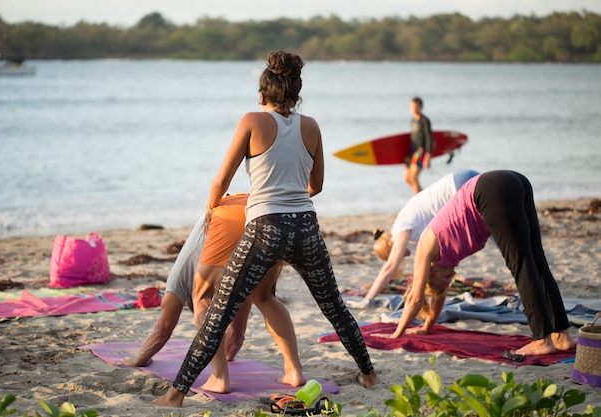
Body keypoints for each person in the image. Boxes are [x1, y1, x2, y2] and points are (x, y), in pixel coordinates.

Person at [152, 50, 377, 407]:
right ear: (296, 94)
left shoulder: (251, 121)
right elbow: (316, 186)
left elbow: (221, 180)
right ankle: (368, 373)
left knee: (218, 312)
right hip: (305, 227)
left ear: (262, 95)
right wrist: (290, 193)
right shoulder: (312, 126)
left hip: (265, 229)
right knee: (333, 305)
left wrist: (211, 209)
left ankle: (175, 394)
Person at [121, 194, 304, 393]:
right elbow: (234, 342)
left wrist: (141, 358)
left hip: (229, 217)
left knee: (203, 299)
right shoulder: (236, 284)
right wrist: (223, 352)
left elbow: (162, 329)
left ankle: (219, 378)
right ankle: (294, 372)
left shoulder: (180, 281)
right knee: (265, 297)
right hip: (270, 214)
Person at [391, 170, 576, 358]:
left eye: (445, 278)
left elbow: (416, 298)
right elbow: (438, 295)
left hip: (491, 189)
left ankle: (542, 340)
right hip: (515, 181)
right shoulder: (444, 262)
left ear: (430, 270)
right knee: (537, 261)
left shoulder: (424, 247)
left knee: (521, 265)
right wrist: (426, 327)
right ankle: (561, 335)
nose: (451, 277)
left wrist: (395, 335)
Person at [347, 169, 480, 310]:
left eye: (399, 254)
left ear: (392, 245)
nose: (403, 256)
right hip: (464, 183)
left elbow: (391, 266)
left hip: (458, 185)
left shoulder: (399, 229)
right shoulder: (415, 237)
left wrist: (368, 298)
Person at [404, 97, 433, 194]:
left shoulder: (425, 121)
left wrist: (428, 156)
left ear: (421, 108)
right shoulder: (412, 121)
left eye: (416, 107)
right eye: (412, 107)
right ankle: (425, 197)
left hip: (421, 151)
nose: (413, 109)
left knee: (413, 178)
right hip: (412, 152)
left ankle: (419, 202)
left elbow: (429, 138)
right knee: (407, 178)